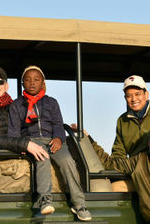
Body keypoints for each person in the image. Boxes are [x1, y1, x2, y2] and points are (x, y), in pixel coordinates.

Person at [8, 65, 92, 221]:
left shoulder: (51, 102)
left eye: (36, 79)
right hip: (32, 141)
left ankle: (80, 204)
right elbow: (13, 133)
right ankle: (45, 200)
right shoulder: (16, 105)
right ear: (22, 83)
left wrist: (59, 138)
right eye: (28, 79)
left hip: (53, 140)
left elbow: (58, 124)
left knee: (67, 161)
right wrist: (23, 145)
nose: (32, 83)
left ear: (43, 82)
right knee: (42, 157)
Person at [0, 66, 49, 160]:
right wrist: (25, 145)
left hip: (15, 148)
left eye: (0, 82)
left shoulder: (12, 105)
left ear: (6, 87)